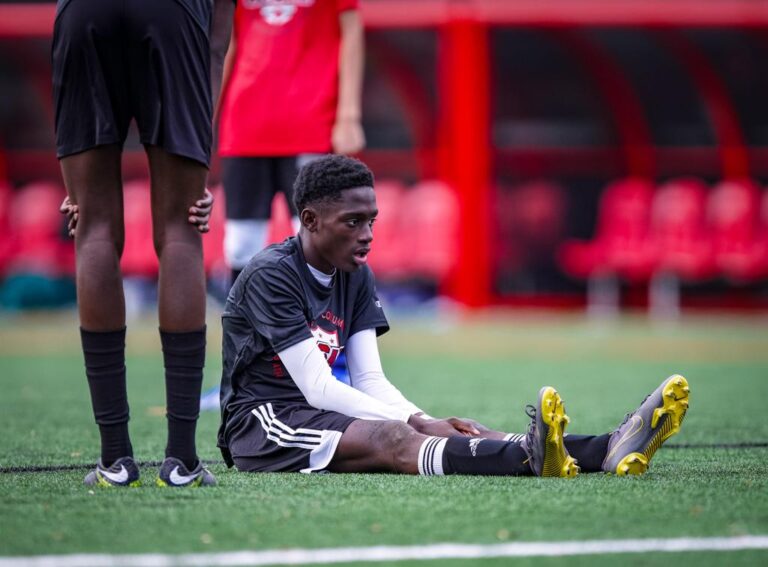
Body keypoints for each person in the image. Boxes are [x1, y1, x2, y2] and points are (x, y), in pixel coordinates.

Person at [217, 155, 691, 477]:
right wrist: (419, 421)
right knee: (394, 435)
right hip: (265, 423)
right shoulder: (271, 274)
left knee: (453, 427)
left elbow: (369, 379)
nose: (367, 235)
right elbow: (317, 387)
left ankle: (605, 448)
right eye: (353, 222)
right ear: (310, 220)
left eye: (372, 221)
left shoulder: (355, 272)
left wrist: (425, 417)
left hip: (320, 413)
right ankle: (528, 458)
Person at [52, 0, 235, 487]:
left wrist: (78, 192)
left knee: (92, 228)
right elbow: (216, 42)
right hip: (173, 14)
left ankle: (114, 461)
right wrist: (200, 152)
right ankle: (181, 461)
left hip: (83, 11)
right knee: (181, 228)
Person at [217, 0, 365, 286]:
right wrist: (203, 115)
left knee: (318, 238)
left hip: (311, 123)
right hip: (244, 125)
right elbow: (224, 43)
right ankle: (246, 325)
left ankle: (324, 326)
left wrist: (348, 115)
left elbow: (352, 30)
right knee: (240, 243)